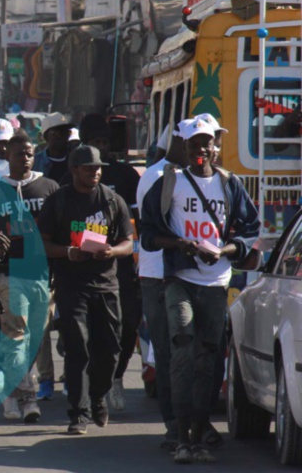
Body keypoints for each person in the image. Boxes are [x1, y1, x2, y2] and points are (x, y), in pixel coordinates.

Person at [140, 116, 260, 464]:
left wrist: (222, 251)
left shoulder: (229, 183)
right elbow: (148, 234)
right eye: (194, 145)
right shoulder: (169, 183)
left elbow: (250, 229)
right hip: (179, 278)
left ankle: (199, 433)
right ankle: (179, 436)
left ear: (215, 147)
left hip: (216, 283)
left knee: (208, 357)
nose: (201, 150)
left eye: (206, 144)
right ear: (184, 148)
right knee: (181, 347)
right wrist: (182, 244)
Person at [37, 145, 134, 436]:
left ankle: (98, 397)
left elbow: (129, 242)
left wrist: (112, 251)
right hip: (71, 286)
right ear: (74, 169)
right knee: (77, 349)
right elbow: (42, 243)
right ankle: (78, 414)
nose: (95, 172)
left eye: (98, 168)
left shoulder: (112, 201)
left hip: (106, 285)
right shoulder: (58, 201)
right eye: (89, 167)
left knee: (110, 349)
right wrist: (68, 252)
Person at [0, 133, 57, 423]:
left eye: (28, 153)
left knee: (33, 340)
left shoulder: (49, 188)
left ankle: (12, 392)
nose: (24, 158)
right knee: (16, 337)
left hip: (42, 276)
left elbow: (60, 233)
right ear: (8, 157)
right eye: (18, 154)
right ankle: (26, 398)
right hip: (9, 275)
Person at [76, 113, 142, 412]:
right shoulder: (71, 178)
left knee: (127, 326)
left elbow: (134, 224)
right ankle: (91, 384)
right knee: (85, 332)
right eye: (94, 143)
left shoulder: (126, 176)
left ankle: (116, 376)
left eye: (104, 142)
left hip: (120, 267)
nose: (100, 148)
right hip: (80, 268)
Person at [135, 118, 187, 450]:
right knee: (169, 354)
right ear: (178, 144)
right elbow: (153, 230)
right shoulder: (157, 175)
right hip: (159, 276)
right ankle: (173, 424)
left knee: (191, 353)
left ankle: (187, 422)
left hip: (189, 275)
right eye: (195, 143)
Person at [33, 113, 76, 184]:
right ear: (46, 137)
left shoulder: (76, 161)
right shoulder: (35, 163)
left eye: (67, 132)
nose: (65, 137)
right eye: (60, 133)